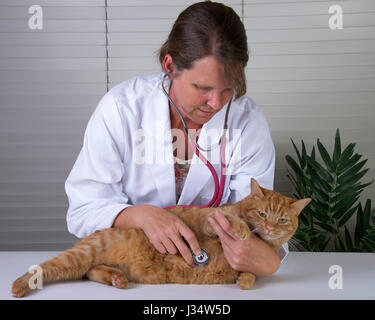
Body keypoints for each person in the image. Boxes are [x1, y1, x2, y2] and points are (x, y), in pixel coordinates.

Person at [65, 1, 287, 277]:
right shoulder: (121, 108)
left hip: (207, 274)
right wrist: (139, 216)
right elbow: (83, 209)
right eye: (201, 88)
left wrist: (269, 258)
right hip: (130, 268)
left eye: (228, 89)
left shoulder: (247, 121)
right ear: (170, 65)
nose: (216, 103)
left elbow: (256, 217)